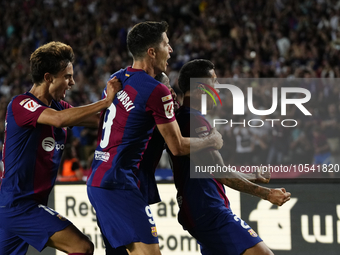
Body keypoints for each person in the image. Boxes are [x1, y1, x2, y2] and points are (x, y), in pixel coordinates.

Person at [87, 21, 223, 255]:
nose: (170, 50)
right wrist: (212, 141)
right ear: (152, 52)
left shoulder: (117, 79)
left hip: (99, 180)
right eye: (166, 44)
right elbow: (178, 146)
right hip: (119, 183)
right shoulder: (155, 90)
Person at [0, 41, 121, 255]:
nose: (72, 82)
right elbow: (59, 120)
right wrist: (104, 102)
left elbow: (96, 121)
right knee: (82, 247)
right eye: (67, 76)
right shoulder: (21, 104)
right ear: (48, 78)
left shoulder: (58, 106)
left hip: (22, 204)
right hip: (17, 205)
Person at [168, 59, 291, 255]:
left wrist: (251, 176)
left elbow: (215, 167)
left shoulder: (186, 117)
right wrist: (266, 194)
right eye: (214, 81)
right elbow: (218, 171)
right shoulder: (193, 119)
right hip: (208, 209)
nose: (217, 86)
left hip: (200, 210)